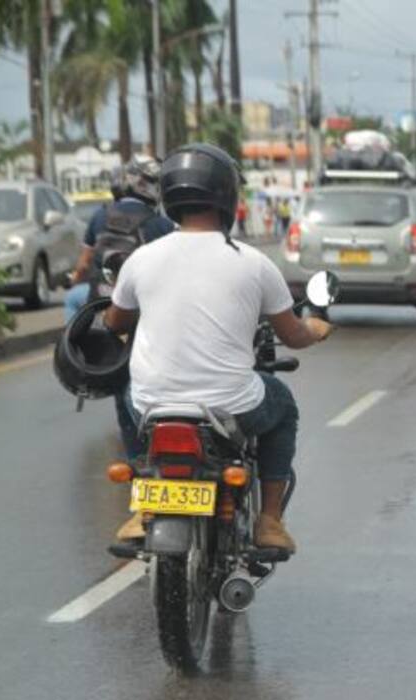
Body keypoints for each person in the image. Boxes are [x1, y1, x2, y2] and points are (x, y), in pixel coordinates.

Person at [103, 143, 332, 549]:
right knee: (283, 405)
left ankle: (142, 506)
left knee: (126, 392)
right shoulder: (254, 262)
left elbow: (114, 322)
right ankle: (270, 521)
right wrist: (314, 327)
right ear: (228, 196)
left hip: (153, 404)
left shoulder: (141, 259)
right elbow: (294, 336)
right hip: (231, 405)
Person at [64, 158, 177, 462]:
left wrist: (74, 280)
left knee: (120, 390)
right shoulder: (160, 224)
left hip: (107, 314)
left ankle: (136, 460)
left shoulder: (100, 217)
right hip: (149, 315)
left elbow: (85, 263)